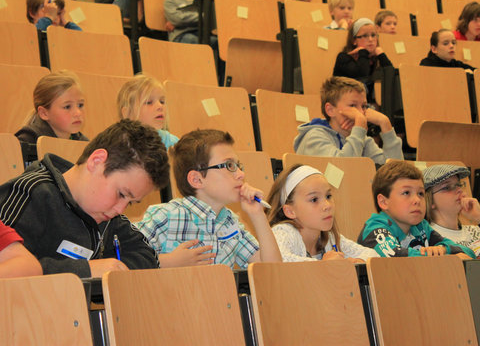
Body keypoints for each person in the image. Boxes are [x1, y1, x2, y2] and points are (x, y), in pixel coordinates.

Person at [0, 120, 170, 277]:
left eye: (131, 202)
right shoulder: (30, 194)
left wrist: (112, 269)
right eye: (121, 194)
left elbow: (148, 256)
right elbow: (14, 270)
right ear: (96, 161)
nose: (120, 209)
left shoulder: (108, 216)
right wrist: (86, 270)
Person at [137, 129, 282, 269]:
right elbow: (123, 259)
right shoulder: (165, 216)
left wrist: (257, 215)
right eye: (229, 165)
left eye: (238, 166)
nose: (240, 174)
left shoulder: (231, 223)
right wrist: (168, 262)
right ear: (197, 180)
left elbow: (272, 270)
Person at [357, 161, 475, 258]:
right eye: (406, 193)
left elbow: (468, 252)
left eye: (420, 193)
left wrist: (442, 250)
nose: (417, 200)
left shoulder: (421, 227)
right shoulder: (375, 229)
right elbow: (395, 257)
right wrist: (437, 257)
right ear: (383, 202)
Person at [267, 164, 379, 262]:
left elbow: (374, 256)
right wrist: (323, 265)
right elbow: (278, 260)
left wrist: (355, 261)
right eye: (314, 199)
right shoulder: (283, 231)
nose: (328, 205)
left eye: (328, 196)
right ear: (290, 211)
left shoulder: (330, 237)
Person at [293, 76, 404, 166]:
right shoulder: (314, 138)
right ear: (330, 110)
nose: (361, 112)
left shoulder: (362, 140)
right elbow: (343, 170)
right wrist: (359, 128)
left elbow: (395, 174)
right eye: (352, 106)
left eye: (364, 106)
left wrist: (385, 124)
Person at [15, 71, 88, 144]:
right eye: (67, 107)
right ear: (44, 113)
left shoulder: (84, 143)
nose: (78, 113)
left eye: (80, 105)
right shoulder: (27, 142)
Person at [423, 165, 480, 257]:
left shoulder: (475, 230)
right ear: (430, 201)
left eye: (459, 185)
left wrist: (478, 217)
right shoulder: (428, 236)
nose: (459, 190)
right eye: (447, 187)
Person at [333, 18, 393, 101]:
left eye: (373, 35)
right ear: (354, 40)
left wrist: (382, 55)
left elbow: (391, 76)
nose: (371, 40)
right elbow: (362, 75)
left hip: (365, 105)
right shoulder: (343, 57)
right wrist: (363, 51)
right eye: (365, 36)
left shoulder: (374, 59)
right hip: (344, 103)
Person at [117, 74, 179, 150]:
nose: (160, 106)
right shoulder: (120, 145)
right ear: (127, 114)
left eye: (162, 102)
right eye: (149, 102)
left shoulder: (173, 143)